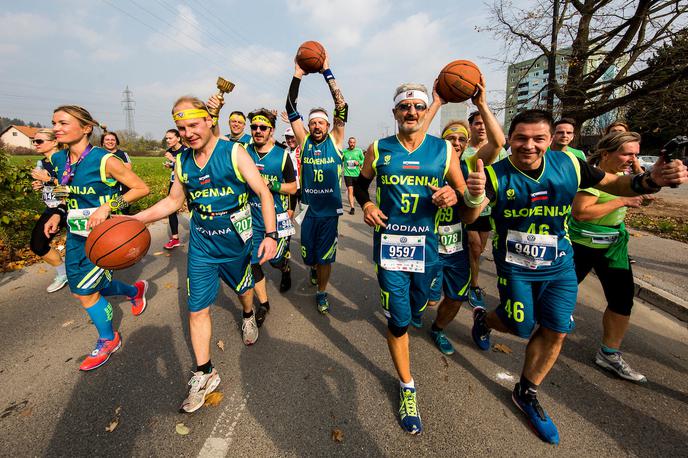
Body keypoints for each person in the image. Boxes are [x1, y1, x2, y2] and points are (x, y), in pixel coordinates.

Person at [469, 109, 686, 444]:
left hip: (559, 264)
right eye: (520, 139)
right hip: (516, 266)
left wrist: (651, 180)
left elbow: (615, 182)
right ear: (509, 140)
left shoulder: (569, 164)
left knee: (556, 331)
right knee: (521, 326)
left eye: (538, 138)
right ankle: (485, 319)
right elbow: (470, 215)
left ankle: (526, 392)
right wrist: (472, 195)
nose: (529, 146)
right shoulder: (495, 174)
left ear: (550, 139)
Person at [353, 83, 485, 434]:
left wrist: (453, 195)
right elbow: (360, 182)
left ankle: (411, 315)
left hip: (427, 249)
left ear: (425, 111)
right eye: (404, 107)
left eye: (417, 107)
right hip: (390, 249)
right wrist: (366, 204)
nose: (410, 112)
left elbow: (460, 192)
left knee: (419, 307)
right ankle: (407, 385)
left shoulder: (443, 150)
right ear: (394, 112)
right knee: (398, 321)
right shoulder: (378, 149)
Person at [133, 96, 277, 413]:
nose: (188, 133)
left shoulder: (234, 152)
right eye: (181, 128)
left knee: (244, 291)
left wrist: (270, 234)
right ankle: (205, 371)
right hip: (201, 243)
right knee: (197, 309)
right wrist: (134, 219)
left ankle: (249, 315)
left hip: (236, 241)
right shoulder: (183, 162)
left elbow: (263, 192)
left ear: (209, 121)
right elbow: (173, 202)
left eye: (193, 124)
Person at [44, 105, 150, 371]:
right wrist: (57, 213)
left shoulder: (105, 160)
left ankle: (108, 338)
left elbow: (141, 188)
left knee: (84, 292)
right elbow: (64, 191)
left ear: (86, 128)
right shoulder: (59, 159)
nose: (56, 128)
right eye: (54, 123)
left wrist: (109, 207)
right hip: (76, 235)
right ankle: (134, 290)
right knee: (95, 287)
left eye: (63, 123)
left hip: (104, 238)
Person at [423, 79, 506, 355]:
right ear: (441, 142)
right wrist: (436, 102)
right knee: (429, 300)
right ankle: (416, 305)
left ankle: (438, 330)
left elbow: (497, 142)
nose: (456, 142)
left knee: (456, 298)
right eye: (451, 138)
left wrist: (481, 103)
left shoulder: (470, 163)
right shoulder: (430, 161)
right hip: (429, 243)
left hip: (456, 245)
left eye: (461, 139)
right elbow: (418, 134)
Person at [570, 132, 650, 383]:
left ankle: (609, 353)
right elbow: (581, 212)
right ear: (606, 154)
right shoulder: (593, 177)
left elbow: (642, 201)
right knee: (558, 293)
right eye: (627, 154)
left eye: (635, 154)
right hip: (581, 245)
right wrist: (621, 201)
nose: (631, 158)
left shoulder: (626, 178)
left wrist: (640, 185)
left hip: (613, 247)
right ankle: (545, 332)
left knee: (622, 300)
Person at [285, 50, 347, 313]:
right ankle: (312, 268)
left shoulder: (335, 139)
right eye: (314, 123)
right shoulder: (304, 141)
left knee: (325, 258)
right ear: (309, 126)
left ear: (328, 125)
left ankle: (322, 292)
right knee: (309, 256)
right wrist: (298, 74)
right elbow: (290, 108)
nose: (318, 126)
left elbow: (342, 107)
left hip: (329, 213)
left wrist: (327, 73)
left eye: (322, 122)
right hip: (308, 211)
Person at [243, 108, 297, 324]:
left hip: (277, 218)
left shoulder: (282, 155)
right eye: (254, 127)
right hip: (251, 218)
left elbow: (293, 188)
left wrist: (271, 185)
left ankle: (284, 267)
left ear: (271, 130)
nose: (258, 131)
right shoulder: (244, 151)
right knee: (253, 261)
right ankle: (264, 303)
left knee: (274, 260)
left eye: (263, 127)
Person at [462, 109, 509, 309]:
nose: (481, 127)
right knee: (474, 247)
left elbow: (505, 177)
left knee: (478, 250)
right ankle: (473, 286)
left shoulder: (500, 151)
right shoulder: (463, 150)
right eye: (477, 123)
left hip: (490, 209)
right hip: (468, 207)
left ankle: (466, 270)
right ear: (470, 126)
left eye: (484, 123)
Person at [29, 129, 68, 292]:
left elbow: (67, 189)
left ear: (54, 142)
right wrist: (41, 185)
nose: (35, 144)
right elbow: (52, 187)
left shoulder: (64, 161)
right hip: (51, 208)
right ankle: (63, 273)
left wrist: (48, 180)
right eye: (34, 141)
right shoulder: (43, 163)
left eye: (39, 141)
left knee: (87, 245)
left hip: (69, 207)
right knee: (37, 245)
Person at [162, 128, 190, 250]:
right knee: (171, 210)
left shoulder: (186, 150)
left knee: (193, 208)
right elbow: (175, 168)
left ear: (178, 138)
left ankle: (199, 235)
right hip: (174, 183)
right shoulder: (168, 151)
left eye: (170, 138)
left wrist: (173, 160)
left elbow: (188, 167)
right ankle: (175, 239)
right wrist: (170, 165)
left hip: (188, 182)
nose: (168, 140)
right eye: (166, 138)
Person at [341, 136, 364, 214]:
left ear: (355, 143)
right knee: (350, 190)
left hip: (357, 174)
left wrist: (359, 163)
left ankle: (357, 202)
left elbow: (363, 160)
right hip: (348, 174)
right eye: (351, 142)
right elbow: (340, 160)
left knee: (356, 191)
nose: (352, 144)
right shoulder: (344, 152)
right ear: (348, 143)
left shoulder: (359, 151)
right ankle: (352, 208)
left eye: (353, 142)